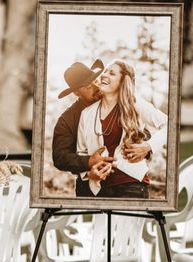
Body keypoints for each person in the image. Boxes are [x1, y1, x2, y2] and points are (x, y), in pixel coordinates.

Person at [76, 59, 168, 198]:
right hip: (99, 189)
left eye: (111, 73)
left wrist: (148, 146)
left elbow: (169, 125)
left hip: (132, 185)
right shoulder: (87, 113)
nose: (104, 75)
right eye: (105, 71)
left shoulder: (135, 104)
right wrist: (89, 174)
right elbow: (81, 152)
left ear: (122, 82)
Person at [51, 59, 115, 197]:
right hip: (88, 188)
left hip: (125, 185)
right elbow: (60, 157)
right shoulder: (66, 120)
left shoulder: (116, 101)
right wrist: (89, 161)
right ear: (76, 93)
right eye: (88, 86)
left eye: (95, 81)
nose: (96, 87)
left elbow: (142, 131)